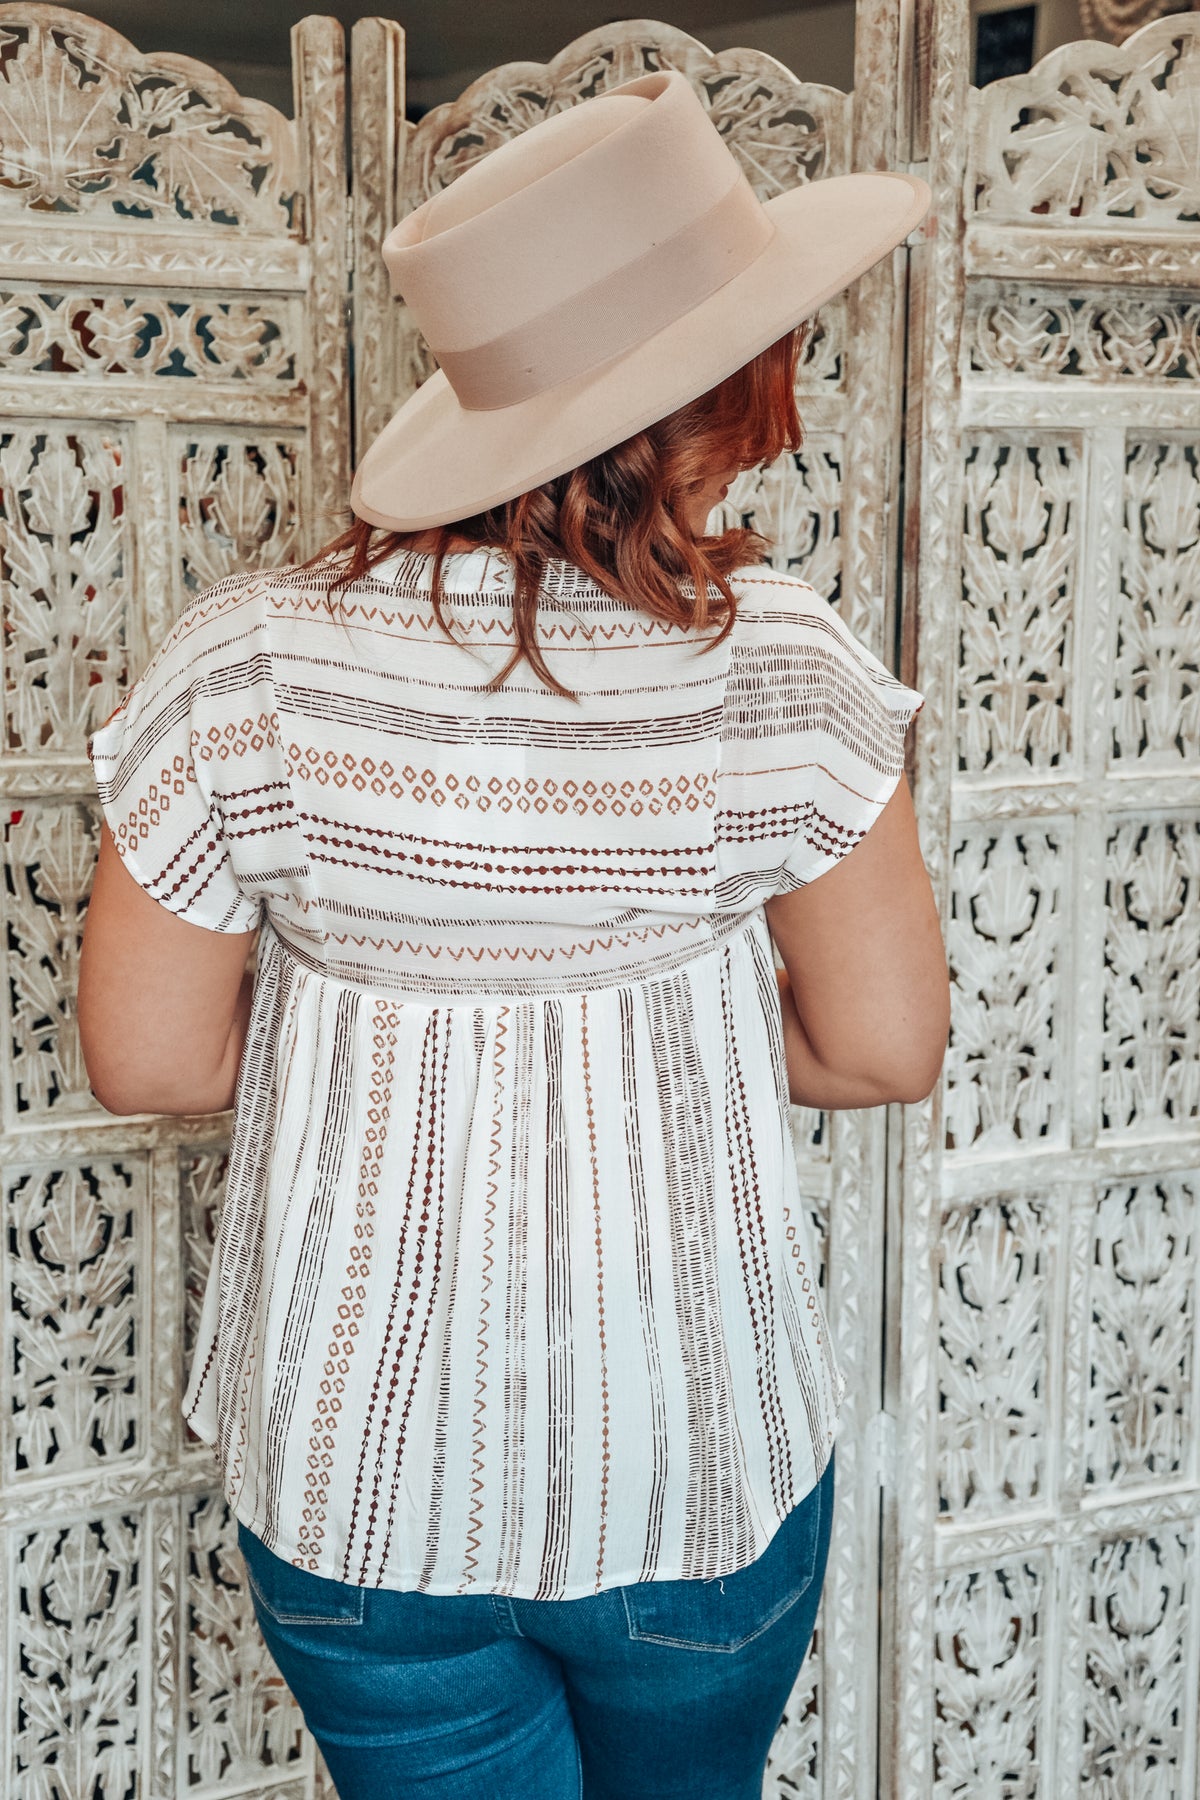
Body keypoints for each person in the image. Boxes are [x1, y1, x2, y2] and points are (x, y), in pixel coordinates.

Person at [78, 69, 949, 1800]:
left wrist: (401, 1010)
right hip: (694, 1464)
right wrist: (649, 1017)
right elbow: (879, 1046)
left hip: (357, 1482)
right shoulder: (778, 666)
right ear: (726, 388)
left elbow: (152, 1059)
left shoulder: (245, 662)